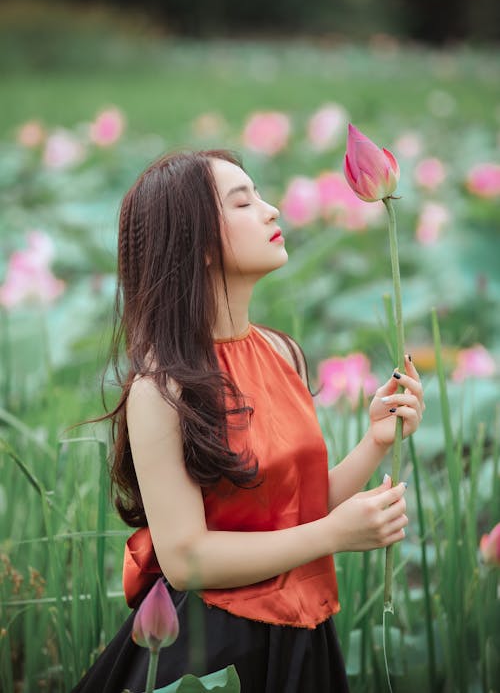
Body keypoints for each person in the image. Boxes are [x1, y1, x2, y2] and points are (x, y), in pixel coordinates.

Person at [72, 149, 424, 693]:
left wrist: (374, 442)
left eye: (261, 195)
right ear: (199, 244)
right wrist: (333, 535)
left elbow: (291, 512)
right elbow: (186, 559)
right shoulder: (162, 388)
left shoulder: (283, 353)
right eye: (245, 202)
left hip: (305, 628)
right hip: (215, 647)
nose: (273, 210)